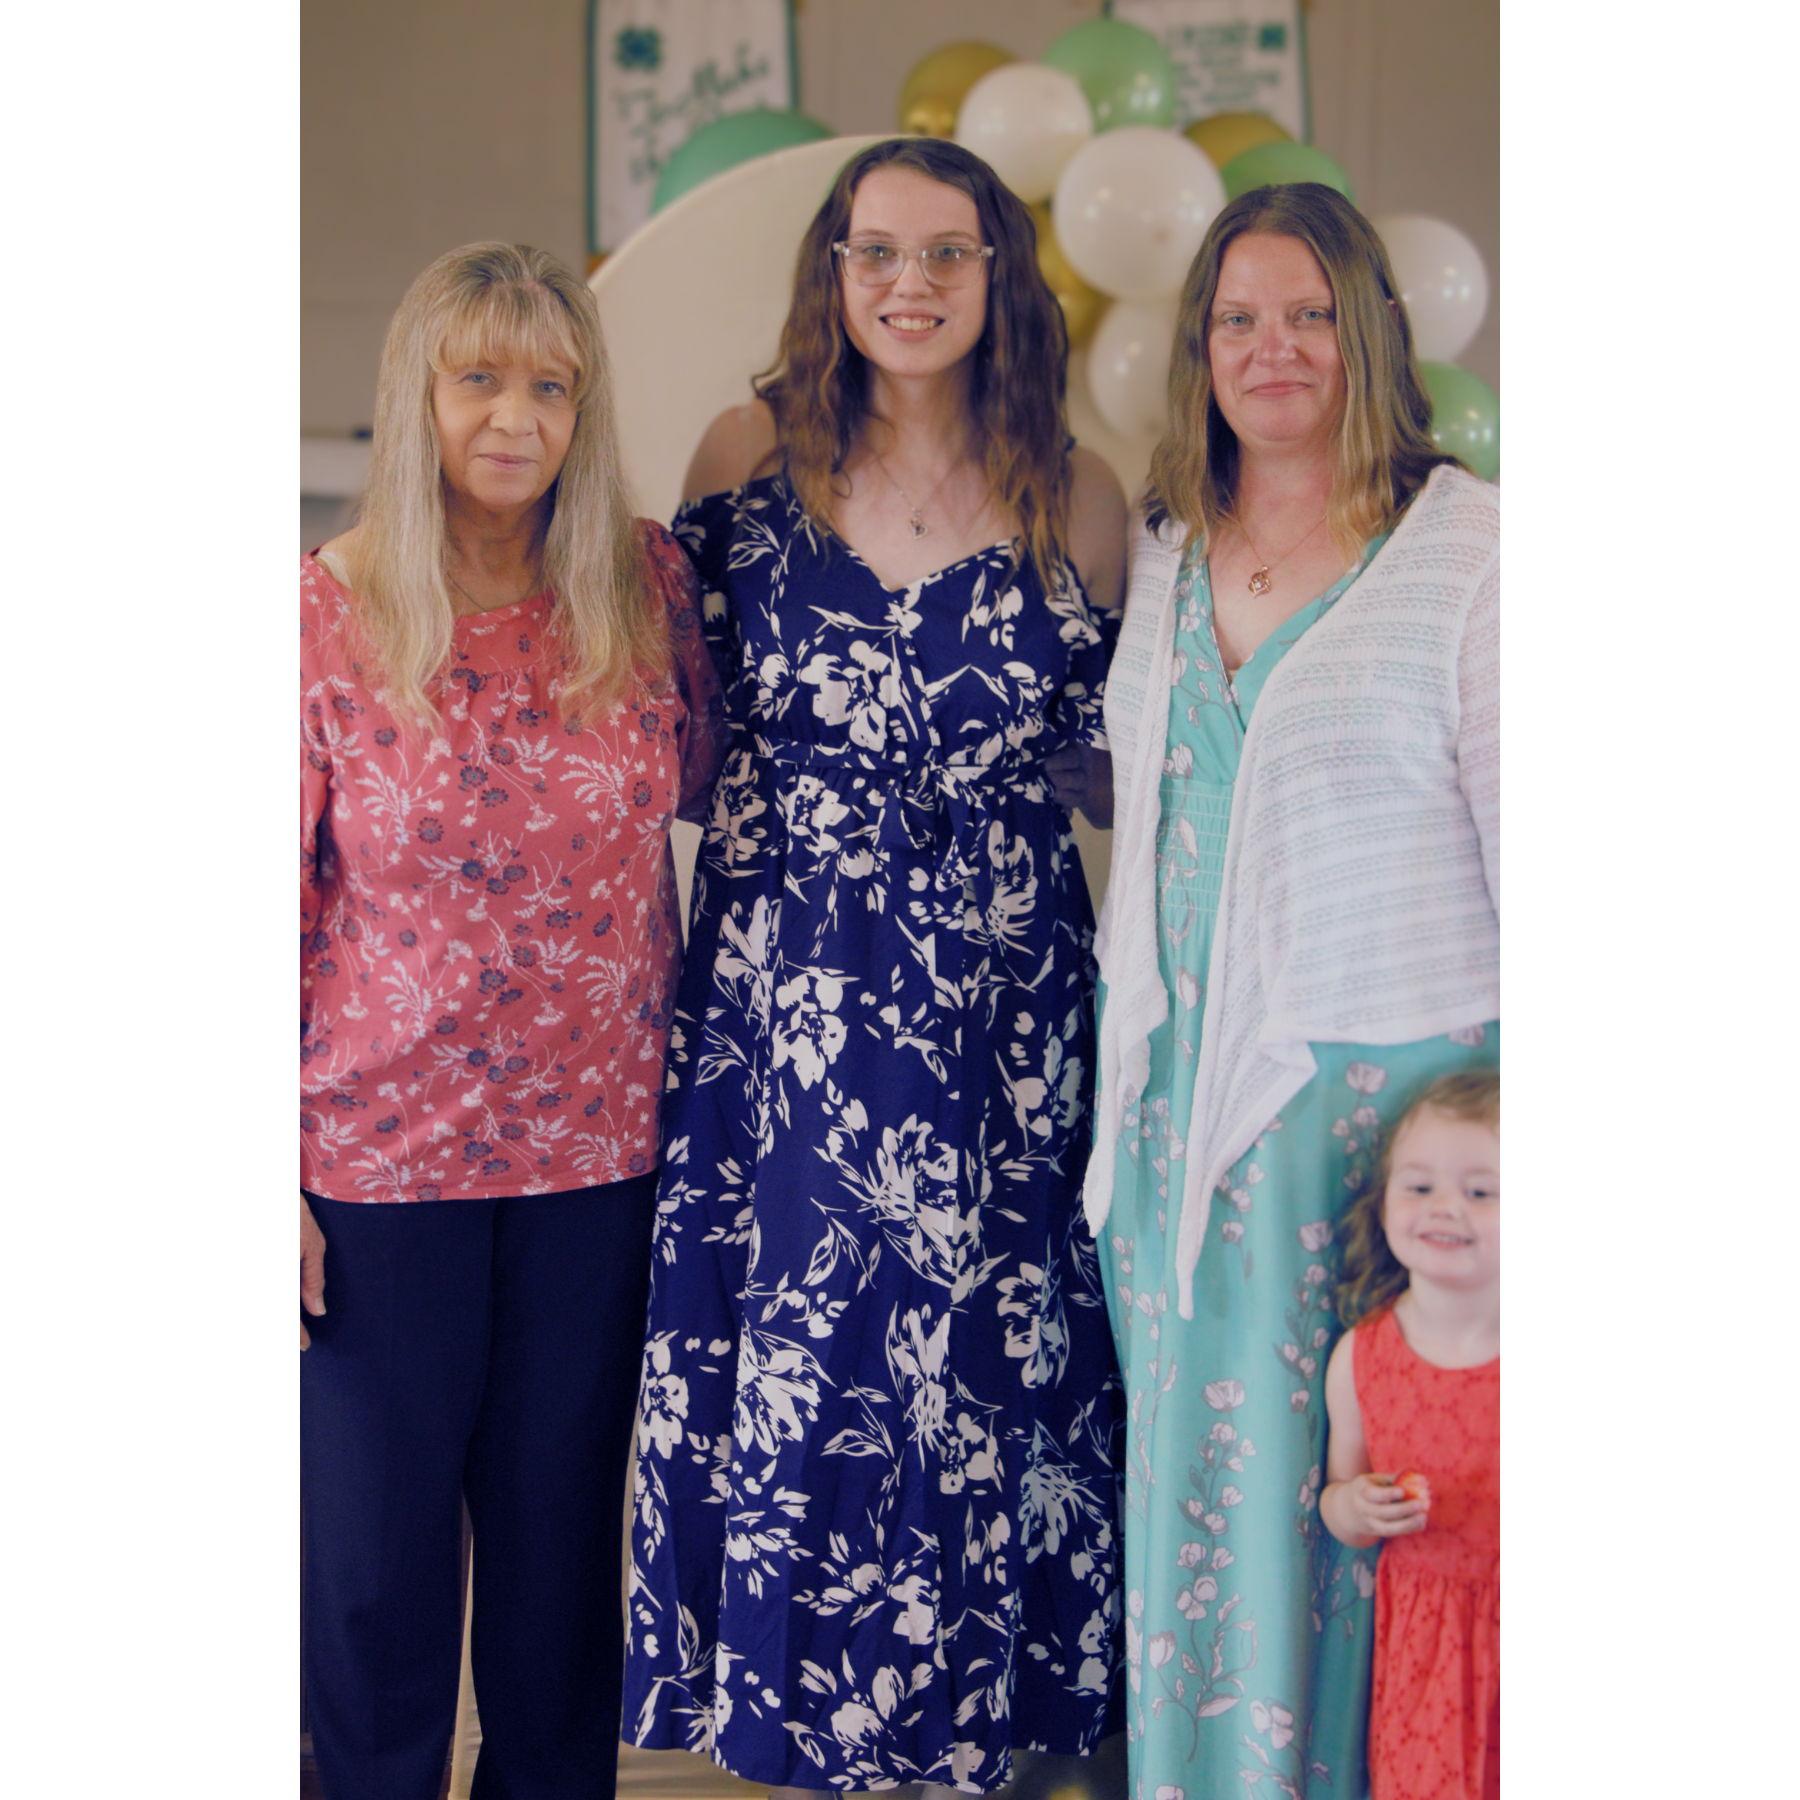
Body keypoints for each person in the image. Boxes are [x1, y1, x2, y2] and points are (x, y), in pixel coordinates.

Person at [621, 137, 1128, 1796]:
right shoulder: (745, 454)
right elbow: (664, 728)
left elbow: (1136, 766)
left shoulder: (1083, 491)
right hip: (786, 996)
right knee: (805, 1357)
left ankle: (989, 1723)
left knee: (988, 1358)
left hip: (1007, 1008)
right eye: (876, 253)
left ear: (1004, 280)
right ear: (833, 273)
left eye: (949, 255)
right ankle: (792, 1722)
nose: (909, 286)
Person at [1082, 182, 1499, 1800]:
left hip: (1390, 1131)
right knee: (1204, 1503)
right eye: (1240, 317)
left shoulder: (1464, 548)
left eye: (1312, 312)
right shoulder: (1170, 554)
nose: (1276, 347)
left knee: (1381, 1501)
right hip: (1182, 1117)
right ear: (1199, 348)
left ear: (1370, 335)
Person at [299, 241, 724, 1800]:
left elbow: (713, 790)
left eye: (551, 385)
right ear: (421, 390)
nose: (516, 417)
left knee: (556, 1583)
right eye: (481, 377)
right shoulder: (323, 614)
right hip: (377, 1175)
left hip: (597, 1163)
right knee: (373, 1583)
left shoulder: (646, 581)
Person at [1321, 1072, 1500, 1800]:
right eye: (1418, 1186)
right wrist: (1357, 1508)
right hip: (1426, 1667)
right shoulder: (1363, 1355)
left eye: (1483, 1191)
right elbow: (1339, 1497)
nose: (1445, 1207)